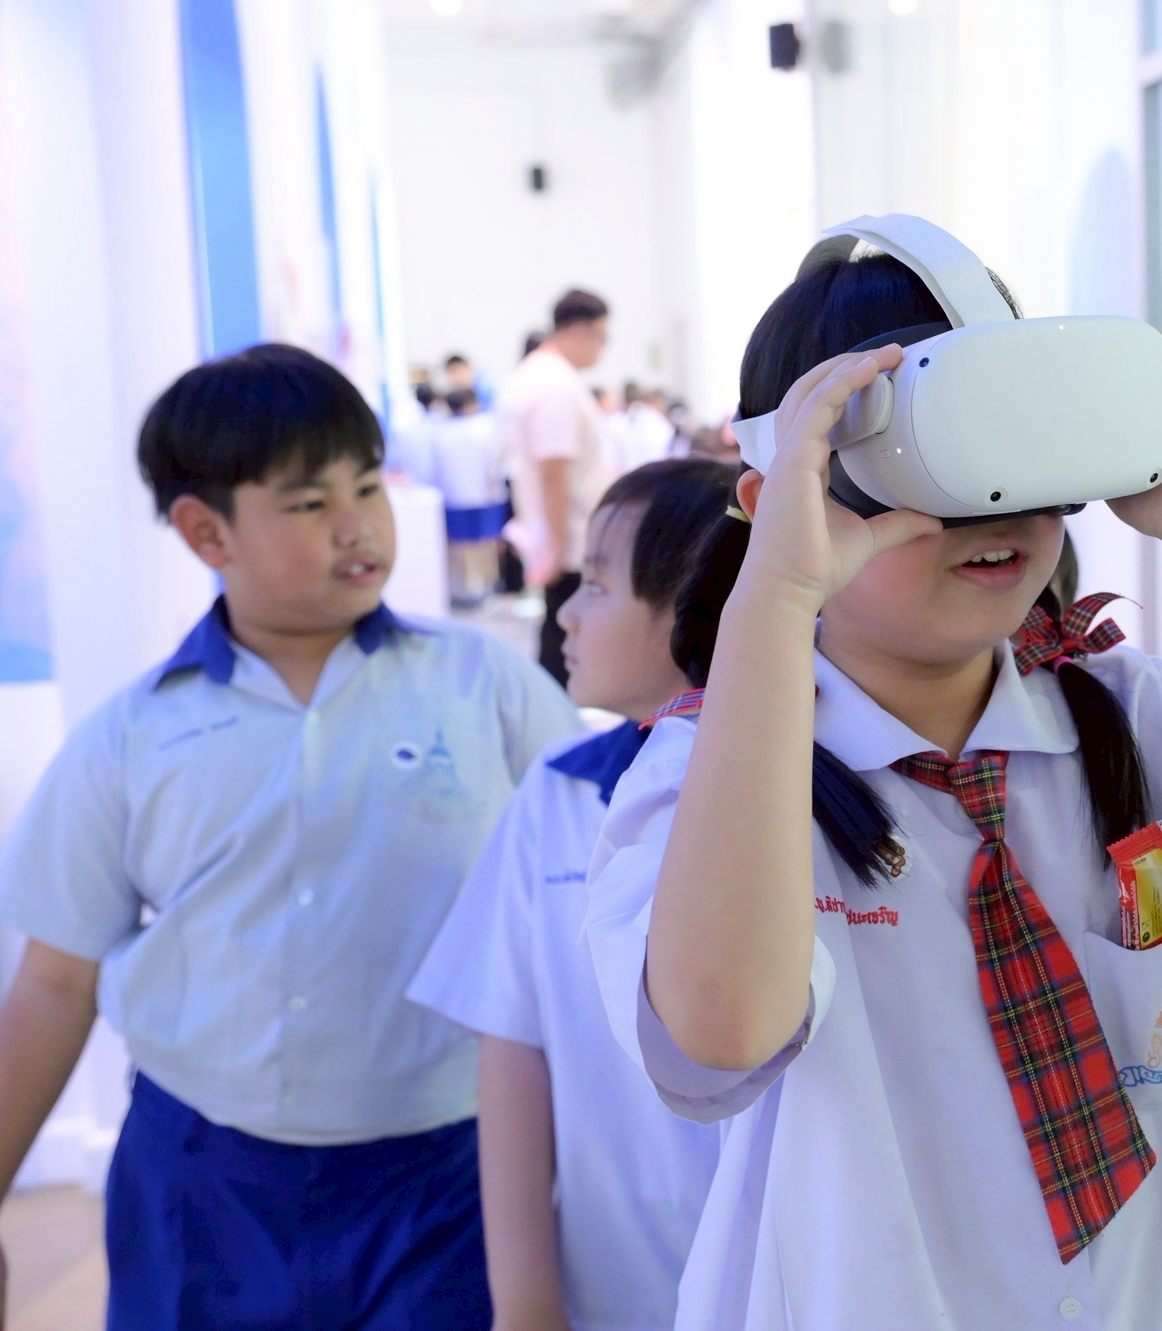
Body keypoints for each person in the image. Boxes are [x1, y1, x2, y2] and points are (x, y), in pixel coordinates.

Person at [583, 246, 1162, 1328]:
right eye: (920, 463)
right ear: (787, 499)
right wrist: (776, 591)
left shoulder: (1137, 718)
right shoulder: (707, 776)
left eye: (1016, 444)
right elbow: (724, 1032)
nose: (989, 506)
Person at [0, 345, 581, 1331]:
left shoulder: (487, 689)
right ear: (205, 530)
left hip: (449, 1175)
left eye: (368, 486)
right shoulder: (134, 734)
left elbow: (589, 909)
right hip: (201, 1178)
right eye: (310, 502)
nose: (358, 524)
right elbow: (53, 985)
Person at [410, 457, 736, 1331]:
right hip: (613, 1293)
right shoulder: (557, 791)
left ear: (699, 605)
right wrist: (524, 1303)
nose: (565, 612)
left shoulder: (814, 796)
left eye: (596, 583)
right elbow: (513, 1043)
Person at [496, 288, 612, 687]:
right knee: (565, 646)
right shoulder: (555, 385)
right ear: (580, 331)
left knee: (561, 639)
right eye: (602, 337)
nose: (603, 349)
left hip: (560, 535)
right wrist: (558, 548)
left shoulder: (533, 376)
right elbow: (554, 469)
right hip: (571, 540)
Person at [433, 387, 508, 608]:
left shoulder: (443, 432)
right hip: (485, 494)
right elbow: (497, 459)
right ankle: (485, 584)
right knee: (486, 541)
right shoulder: (486, 426)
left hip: (457, 496)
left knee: (464, 543)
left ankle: (470, 586)